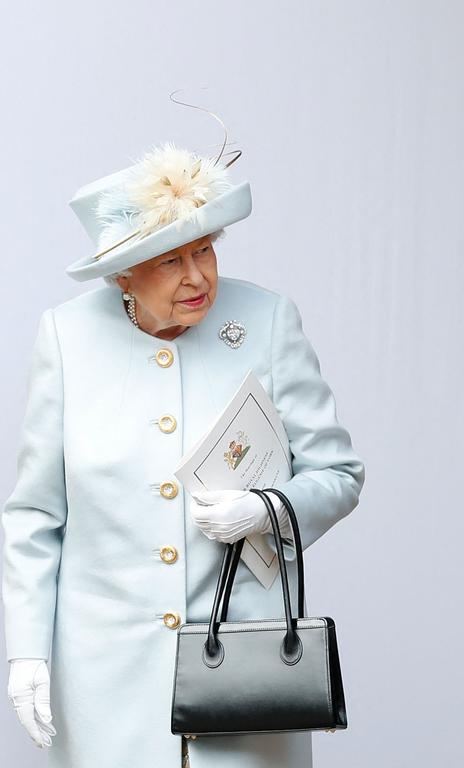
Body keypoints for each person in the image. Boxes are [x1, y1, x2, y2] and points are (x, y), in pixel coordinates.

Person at [2, 142, 365, 767]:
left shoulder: (267, 320)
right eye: (169, 261)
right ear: (122, 272)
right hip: (106, 682)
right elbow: (36, 516)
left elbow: (339, 474)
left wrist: (267, 510)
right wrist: (27, 650)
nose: (196, 277)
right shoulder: (66, 337)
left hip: (245, 678)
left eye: (205, 250)